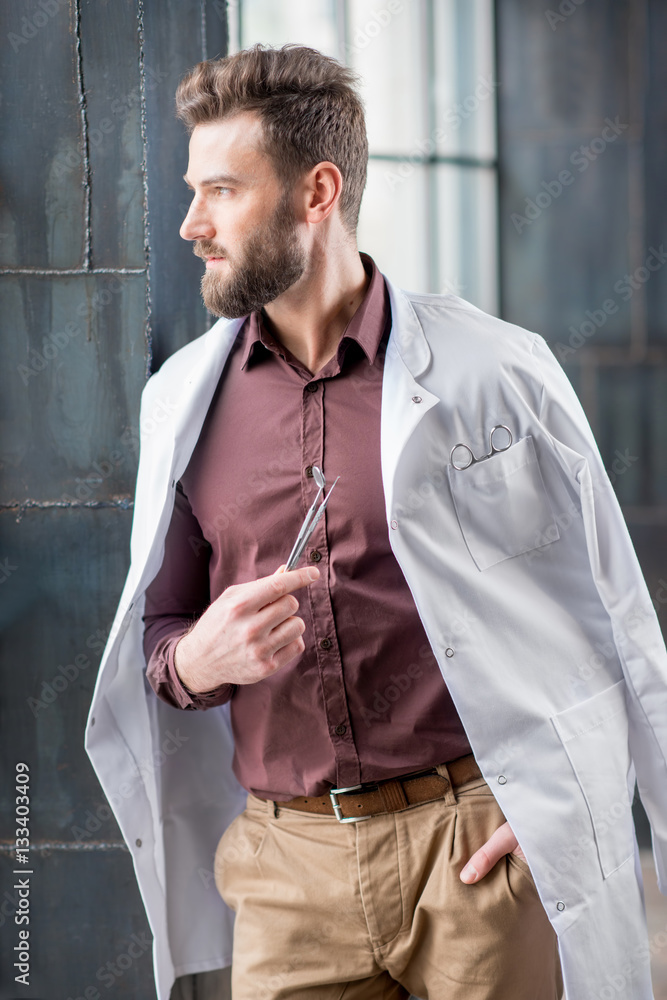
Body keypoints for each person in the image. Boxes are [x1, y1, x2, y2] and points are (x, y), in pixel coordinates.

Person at [85, 43, 667, 1000]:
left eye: (222, 191)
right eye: (194, 191)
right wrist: (197, 663)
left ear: (317, 193)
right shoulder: (179, 403)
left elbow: (606, 614)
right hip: (287, 870)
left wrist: (561, 802)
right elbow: (159, 635)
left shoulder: (498, 370)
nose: (192, 223)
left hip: (479, 848)